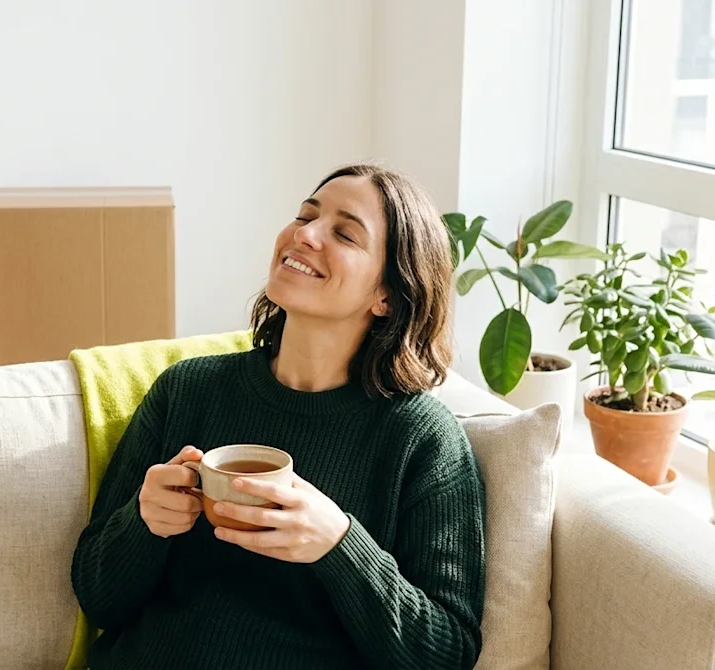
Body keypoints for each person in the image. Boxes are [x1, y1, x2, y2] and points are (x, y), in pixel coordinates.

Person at [70, 162, 486, 669]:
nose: (304, 234)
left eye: (345, 233)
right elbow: (97, 596)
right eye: (304, 215)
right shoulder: (188, 391)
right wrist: (144, 523)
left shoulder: (422, 440)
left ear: (387, 296)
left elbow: (446, 653)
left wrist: (339, 545)